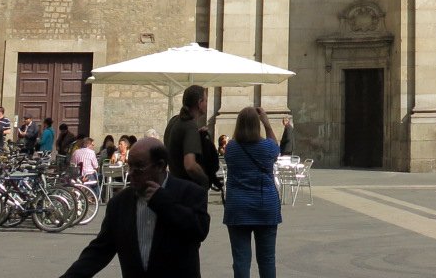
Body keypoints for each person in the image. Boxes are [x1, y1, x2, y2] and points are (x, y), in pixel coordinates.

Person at [56, 136, 210, 278]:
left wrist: (162, 201)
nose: (131, 174)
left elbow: (198, 231)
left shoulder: (190, 193)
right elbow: (100, 250)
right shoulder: (120, 203)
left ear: (160, 166)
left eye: (139, 168)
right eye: (130, 166)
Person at [222, 106, 282, 278]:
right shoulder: (267, 147)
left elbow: (235, 144)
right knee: (267, 259)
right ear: (258, 125)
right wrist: (268, 125)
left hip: (238, 207)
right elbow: (276, 148)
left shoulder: (231, 148)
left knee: (241, 260)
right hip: (265, 206)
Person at [164, 85, 214, 189]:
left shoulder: (174, 121)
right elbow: (190, 165)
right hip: (187, 189)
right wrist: (206, 180)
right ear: (199, 103)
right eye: (205, 100)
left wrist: (196, 136)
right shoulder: (190, 125)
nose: (206, 104)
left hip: (174, 184)